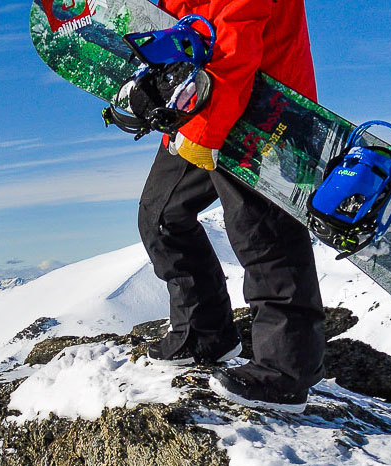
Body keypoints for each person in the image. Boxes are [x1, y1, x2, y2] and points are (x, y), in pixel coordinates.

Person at [138, 0, 322, 413]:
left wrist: (206, 131)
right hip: (205, 98)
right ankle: (204, 334)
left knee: (262, 231)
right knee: (161, 214)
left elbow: (235, 37)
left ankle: (285, 374)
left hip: (263, 103)